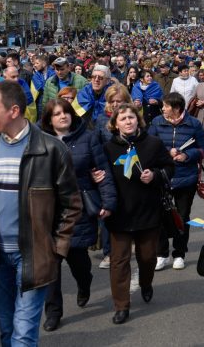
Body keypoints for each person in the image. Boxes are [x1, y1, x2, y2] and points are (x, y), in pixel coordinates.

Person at [0, 81, 82, 346]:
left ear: (13, 111)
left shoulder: (51, 149)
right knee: (6, 331)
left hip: (34, 255)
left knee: (23, 334)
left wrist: (56, 249)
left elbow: (72, 204)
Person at [40, 98, 116, 332]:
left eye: (66, 112)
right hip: (47, 211)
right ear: (49, 119)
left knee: (78, 262)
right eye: (57, 114)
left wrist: (108, 201)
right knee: (50, 266)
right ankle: (53, 312)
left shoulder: (89, 138)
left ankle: (85, 284)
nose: (62, 117)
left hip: (78, 209)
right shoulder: (39, 141)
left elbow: (103, 171)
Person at [104, 104, 175, 324]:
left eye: (131, 117)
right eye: (123, 118)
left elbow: (169, 167)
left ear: (138, 120)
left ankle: (146, 282)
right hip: (120, 213)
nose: (128, 121)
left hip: (148, 211)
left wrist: (154, 175)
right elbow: (100, 174)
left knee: (147, 258)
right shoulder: (107, 148)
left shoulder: (152, 144)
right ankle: (121, 306)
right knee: (119, 261)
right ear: (115, 123)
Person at [149, 92, 204, 271]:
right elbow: (149, 145)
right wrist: (167, 152)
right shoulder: (157, 122)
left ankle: (179, 253)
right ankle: (162, 254)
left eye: (166, 106)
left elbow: (203, 148)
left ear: (176, 108)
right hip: (162, 177)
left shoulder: (194, 124)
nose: (163, 109)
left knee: (182, 217)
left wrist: (187, 155)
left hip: (186, 177)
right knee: (159, 216)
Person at [94, 84, 133, 270]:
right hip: (108, 172)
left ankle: (127, 245)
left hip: (129, 171)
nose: (116, 105)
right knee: (107, 213)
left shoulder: (132, 119)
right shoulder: (101, 120)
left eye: (120, 101)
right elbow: (96, 146)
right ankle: (109, 252)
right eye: (113, 101)